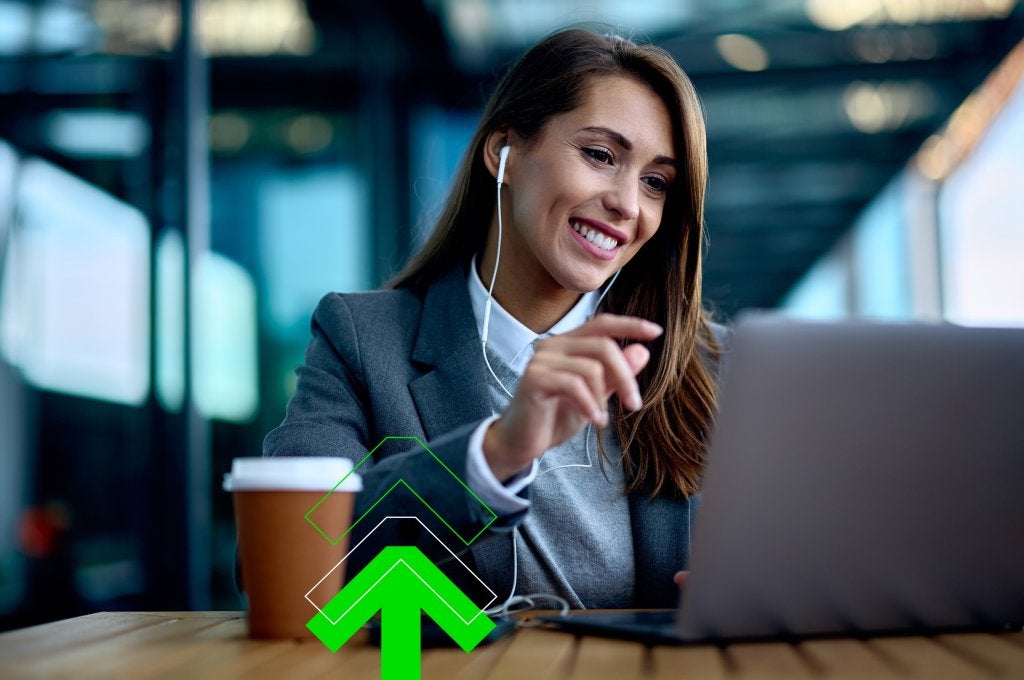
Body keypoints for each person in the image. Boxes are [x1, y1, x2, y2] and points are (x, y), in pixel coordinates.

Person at [264, 27, 724, 610]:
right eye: (600, 155)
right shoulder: (363, 341)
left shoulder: (714, 368)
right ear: (502, 151)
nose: (627, 204)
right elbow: (282, 559)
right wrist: (495, 454)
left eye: (656, 183)